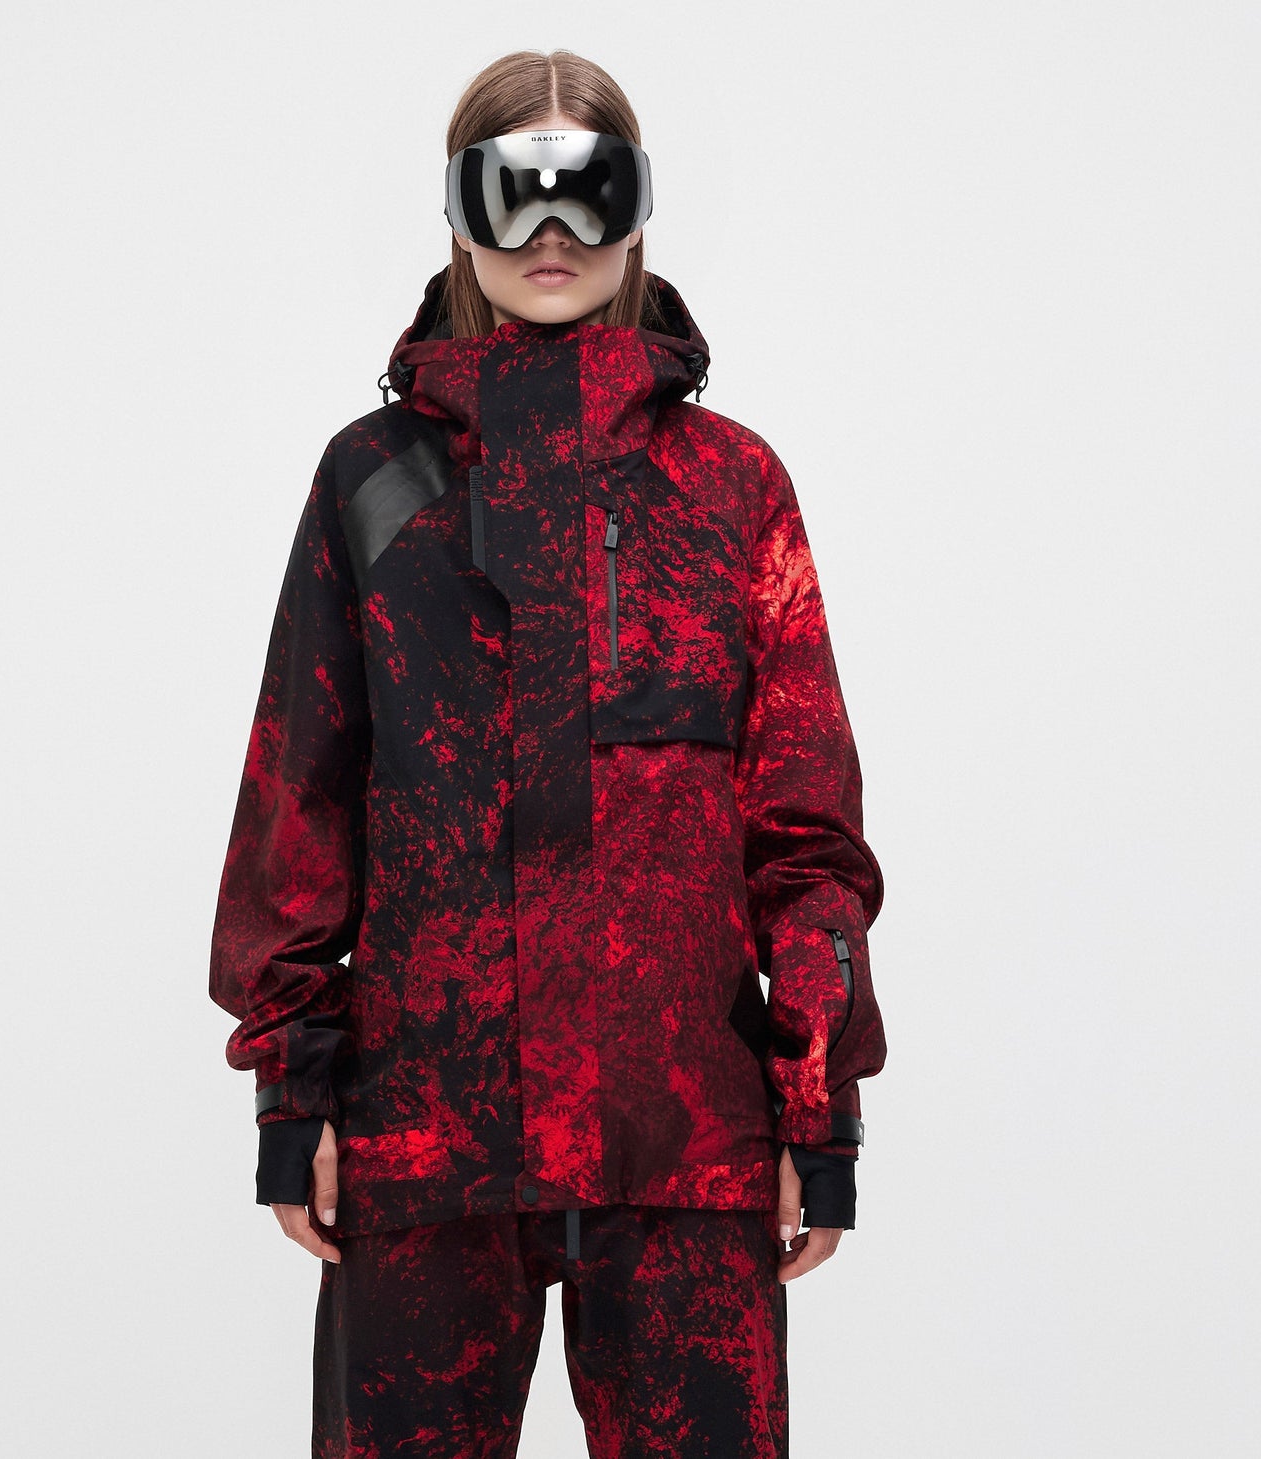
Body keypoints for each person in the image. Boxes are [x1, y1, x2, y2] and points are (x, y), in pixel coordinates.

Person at [209, 48, 886, 1458]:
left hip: (682, 1132)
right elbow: (300, 792)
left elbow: (803, 821)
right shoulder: (372, 478)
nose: (553, 231)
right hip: (427, 1130)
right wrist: (294, 1090)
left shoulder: (730, 483)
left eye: (591, 191)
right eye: (512, 193)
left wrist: (814, 1106)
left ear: (641, 208)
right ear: (459, 213)